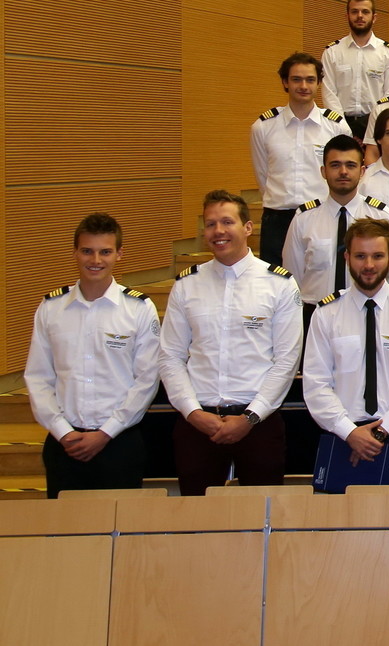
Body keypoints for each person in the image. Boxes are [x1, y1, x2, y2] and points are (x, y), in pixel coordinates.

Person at [159, 191, 302, 495]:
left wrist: (250, 417)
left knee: (262, 515)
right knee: (196, 515)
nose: (218, 231)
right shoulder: (186, 285)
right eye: (211, 224)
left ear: (248, 227)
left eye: (227, 222)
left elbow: (287, 361)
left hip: (258, 422)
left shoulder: (279, 284)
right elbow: (170, 356)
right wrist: (193, 413)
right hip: (198, 423)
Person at [24, 213, 161, 498]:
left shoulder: (138, 308)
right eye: (87, 251)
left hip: (119, 442)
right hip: (65, 444)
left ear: (119, 254)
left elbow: (147, 379)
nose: (95, 260)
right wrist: (63, 431)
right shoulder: (51, 308)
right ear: (75, 252)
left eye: (105, 252)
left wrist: (106, 432)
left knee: (120, 523)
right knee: (65, 524)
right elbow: (38, 377)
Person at [302, 218, 389, 485]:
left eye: (377, 256)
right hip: (342, 433)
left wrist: (382, 431)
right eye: (360, 256)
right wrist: (350, 432)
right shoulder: (326, 313)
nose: (369, 265)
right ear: (347, 258)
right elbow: (316, 384)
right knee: (339, 512)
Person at [250, 52, 354, 265]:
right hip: (277, 220)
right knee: (275, 279)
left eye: (310, 79)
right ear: (285, 82)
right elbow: (262, 174)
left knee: (323, 278)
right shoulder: (263, 127)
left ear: (318, 83)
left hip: (321, 215)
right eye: (296, 79)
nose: (304, 86)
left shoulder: (336, 127)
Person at [283, 134, 389, 317]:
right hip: (314, 313)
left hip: (369, 312)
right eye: (335, 165)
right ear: (323, 171)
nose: (343, 172)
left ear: (362, 171)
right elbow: (293, 277)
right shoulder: (303, 219)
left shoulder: (382, 217)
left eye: (350, 165)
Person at [320, 0, 389, 143]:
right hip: (340, 127)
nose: (360, 16)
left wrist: (370, 128)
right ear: (347, 16)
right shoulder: (332, 52)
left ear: (374, 17)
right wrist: (344, 130)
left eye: (365, 12)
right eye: (354, 12)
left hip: (376, 127)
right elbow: (329, 93)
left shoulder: (388, 53)